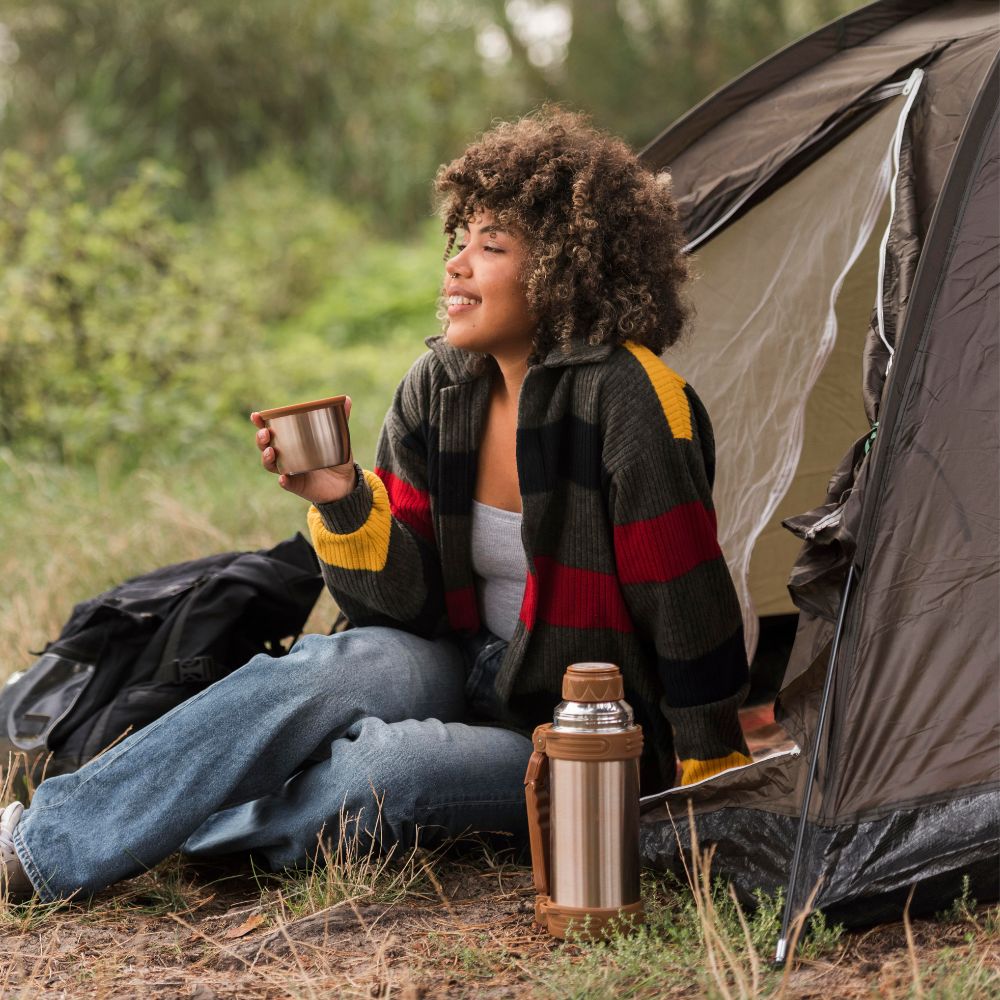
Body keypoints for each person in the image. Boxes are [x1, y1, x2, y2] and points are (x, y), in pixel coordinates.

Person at [0, 109, 751, 904]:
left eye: (491, 246)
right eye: (459, 238)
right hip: (460, 661)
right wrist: (346, 503)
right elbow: (404, 610)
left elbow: (686, 600)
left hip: (580, 736)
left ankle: (160, 826)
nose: (456, 263)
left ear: (569, 269)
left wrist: (707, 782)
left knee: (383, 769)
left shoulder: (632, 400)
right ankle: (42, 848)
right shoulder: (439, 387)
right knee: (322, 672)